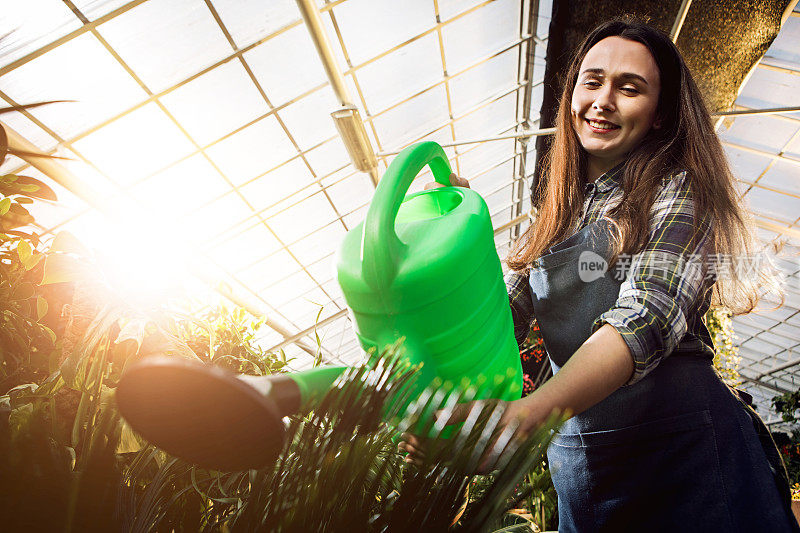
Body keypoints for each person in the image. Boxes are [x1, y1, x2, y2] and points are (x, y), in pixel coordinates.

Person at [401, 19, 799, 532]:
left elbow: (648, 314)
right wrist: (454, 229)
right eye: (592, 81)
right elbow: (498, 325)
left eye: (629, 88)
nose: (603, 99)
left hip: (687, 461)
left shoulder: (678, 191)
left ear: (659, 116)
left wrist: (530, 416)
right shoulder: (558, 218)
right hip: (589, 467)